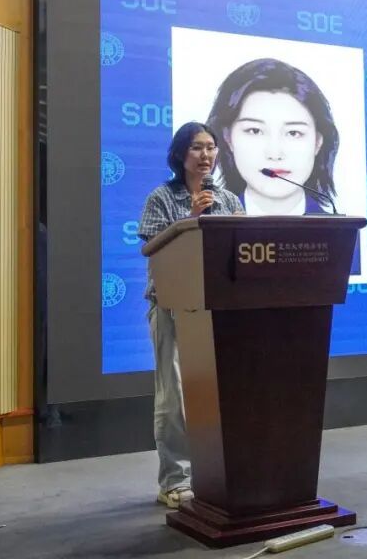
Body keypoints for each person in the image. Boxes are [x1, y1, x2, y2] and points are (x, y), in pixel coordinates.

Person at [137, 121, 243, 509]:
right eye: (197, 147)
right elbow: (152, 247)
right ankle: (176, 480)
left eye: (211, 147)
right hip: (172, 307)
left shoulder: (229, 200)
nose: (206, 155)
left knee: (223, 394)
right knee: (176, 396)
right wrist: (191, 218)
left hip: (220, 308)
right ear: (181, 154)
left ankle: (220, 474)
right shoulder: (162, 198)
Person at [206, 58, 339, 216]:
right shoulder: (204, 226)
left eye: (293, 133)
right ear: (228, 138)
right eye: (255, 131)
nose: (274, 154)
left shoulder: (340, 229)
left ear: (318, 142)